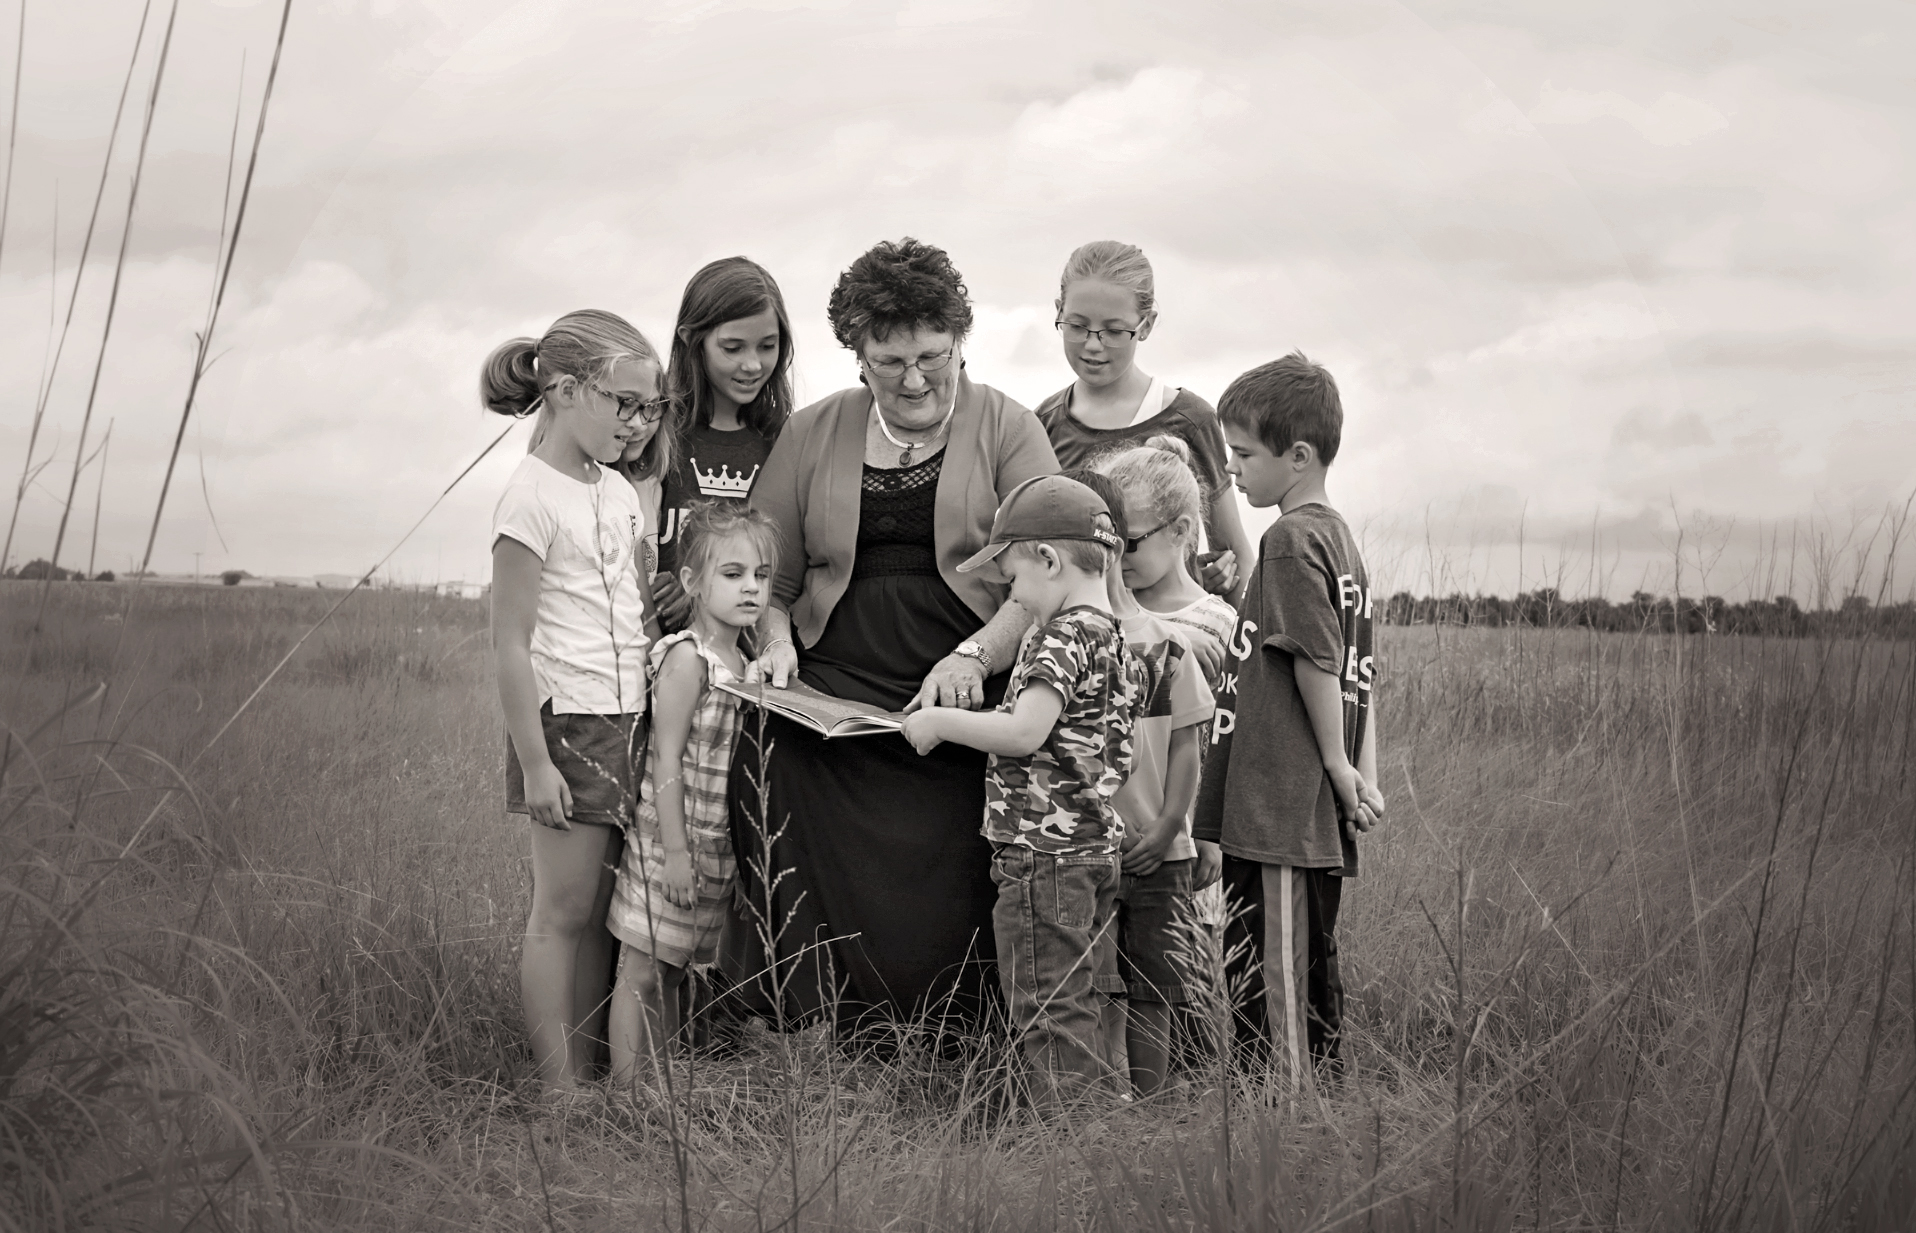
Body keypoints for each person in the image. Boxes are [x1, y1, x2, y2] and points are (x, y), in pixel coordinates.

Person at [736, 237, 1060, 1036]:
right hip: (833, 683)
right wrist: (775, 642)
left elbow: (1048, 577)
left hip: (964, 681)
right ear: (858, 355)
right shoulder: (811, 431)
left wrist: (977, 654)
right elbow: (770, 576)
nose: (914, 379)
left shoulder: (1011, 427)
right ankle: (815, 1015)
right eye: (889, 362)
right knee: (768, 755)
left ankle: (959, 1025)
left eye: (931, 357)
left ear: (959, 343)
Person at [902, 474, 1141, 1113]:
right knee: (1083, 995)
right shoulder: (1117, 636)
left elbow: (1024, 731)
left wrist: (939, 723)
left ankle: (1073, 1139)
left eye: (1013, 581)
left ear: (1049, 560)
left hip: (1044, 856)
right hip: (1094, 851)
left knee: (1048, 1004)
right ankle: (1102, 1120)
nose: (1015, 598)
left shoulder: (1061, 635)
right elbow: (1127, 751)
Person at [483, 310, 665, 1100]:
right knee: (560, 911)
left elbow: (634, 607)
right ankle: (560, 1090)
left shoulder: (619, 490)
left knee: (602, 911)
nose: (638, 422)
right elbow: (509, 643)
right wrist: (534, 762)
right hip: (567, 724)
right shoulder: (529, 496)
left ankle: (591, 1069)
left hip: (630, 717)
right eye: (624, 403)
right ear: (564, 390)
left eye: (649, 407)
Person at [1192, 352, 1385, 1090]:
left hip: (1280, 810)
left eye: (1244, 454)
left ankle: (1289, 1118)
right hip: (1294, 810)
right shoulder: (1340, 541)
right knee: (1300, 964)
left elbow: (1319, 660)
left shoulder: (1290, 540)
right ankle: (1300, 1107)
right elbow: (1363, 673)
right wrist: (1363, 774)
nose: (1232, 470)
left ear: (1298, 456)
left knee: (1273, 977)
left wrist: (1337, 765)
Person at [606, 503, 780, 1079]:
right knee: (643, 971)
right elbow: (665, 757)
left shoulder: (746, 661)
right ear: (692, 582)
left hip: (717, 847)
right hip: (671, 843)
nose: (751, 587)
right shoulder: (688, 659)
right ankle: (629, 1097)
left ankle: (662, 1086)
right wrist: (676, 854)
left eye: (761, 575)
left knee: (676, 971)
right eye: (733, 574)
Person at [1080, 455, 1218, 1097]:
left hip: (1165, 852)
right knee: (1098, 979)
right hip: (1093, 846)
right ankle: (1110, 1099)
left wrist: (1168, 827)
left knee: (1156, 984)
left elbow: (1189, 747)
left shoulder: (1169, 643)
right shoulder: (1070, 642)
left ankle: (1153, 1099)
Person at [1034, 240, 1256, 607]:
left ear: (1146, 324)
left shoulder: (1191, 420)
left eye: (1114, 331)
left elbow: (1236, 560)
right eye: (1077, 325)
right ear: (1059, 311)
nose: (1093, 344)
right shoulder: (1041, 425)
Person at [651, 257, 795, 632]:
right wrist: (652, 586)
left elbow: (791, 572)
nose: (753, 365)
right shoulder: (652, 434)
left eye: (767, 346)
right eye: (733, 348)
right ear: (690, 339)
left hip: (755, 653)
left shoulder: (787, 442)